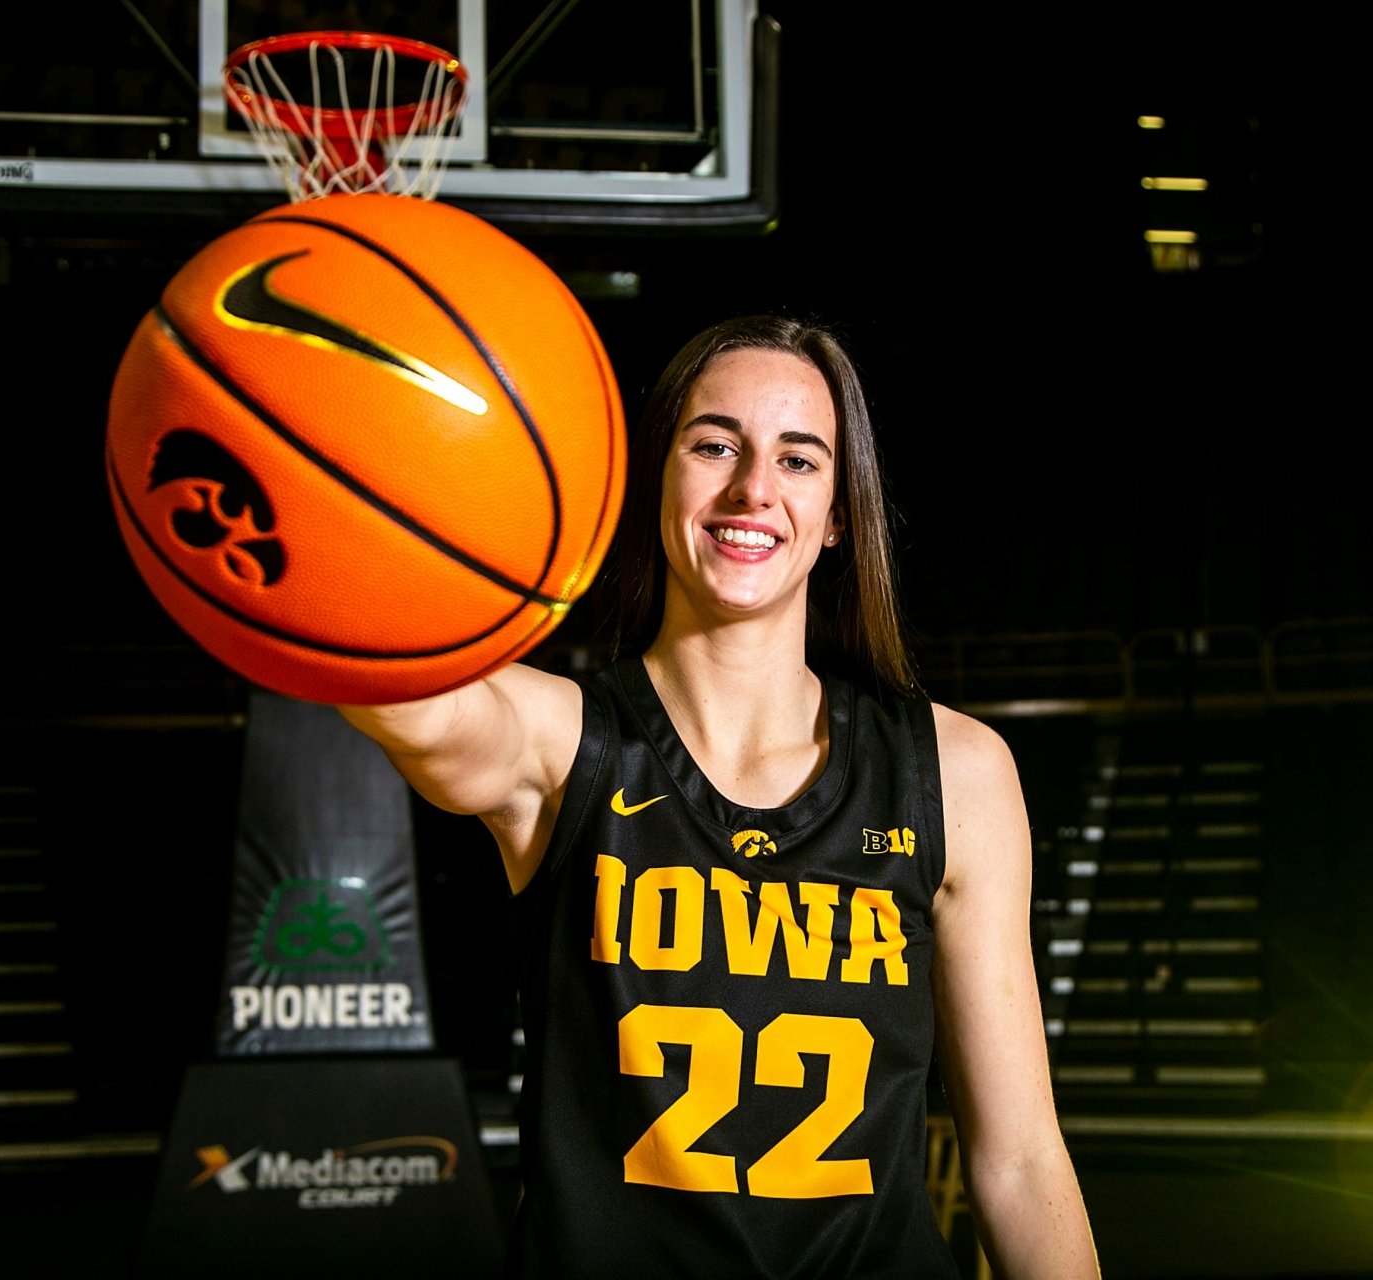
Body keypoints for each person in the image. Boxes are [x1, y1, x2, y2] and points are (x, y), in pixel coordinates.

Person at [339, 314, 1100, 1278]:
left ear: (837, 520)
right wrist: (326, 480)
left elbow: (1019, 1159)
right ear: (659, 474)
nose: (753, 489)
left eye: (799, 460)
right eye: (715, 446)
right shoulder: (562, 745)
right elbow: (398, 692)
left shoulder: (956, 773)